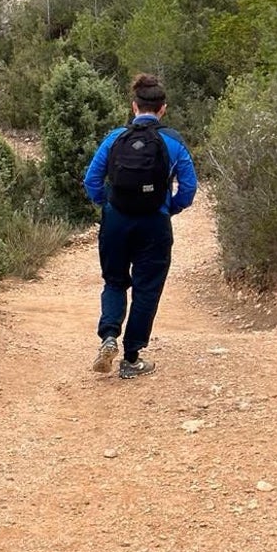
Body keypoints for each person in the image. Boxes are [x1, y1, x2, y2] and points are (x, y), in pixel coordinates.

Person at [82, 73, 197, 379]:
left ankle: (108, 337)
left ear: (134, 107)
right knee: (147, 288)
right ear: (163, 109)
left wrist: (106, 203)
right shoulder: (173, 142)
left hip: (116, 221)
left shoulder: (114, 138)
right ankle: (131, 358)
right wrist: (168, 209)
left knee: (115, 281)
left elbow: (91, 180)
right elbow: (188, 188)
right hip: (154, 224)